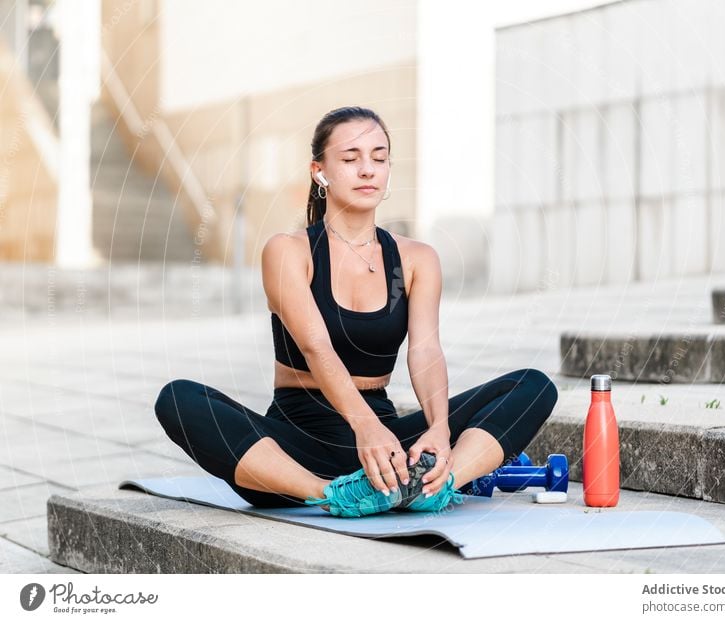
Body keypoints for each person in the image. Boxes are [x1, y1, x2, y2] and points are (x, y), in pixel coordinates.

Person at [154, 105, 559, 518]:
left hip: (389, 447)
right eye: (350, 159)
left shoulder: (416, 258)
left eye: (379, 158)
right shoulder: (289, 251)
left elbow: (425, 350)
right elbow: (316, 347)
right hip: (297, 448)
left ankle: (437, 483)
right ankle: (331, 495)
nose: (367, 169)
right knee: (178, 399)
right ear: (320, 172)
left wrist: (438, 429)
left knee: (532, 387)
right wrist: (364, 428)